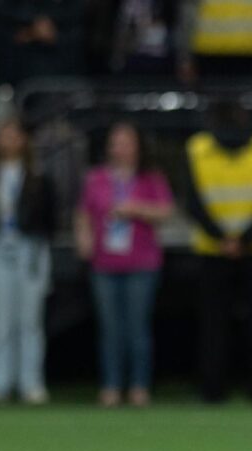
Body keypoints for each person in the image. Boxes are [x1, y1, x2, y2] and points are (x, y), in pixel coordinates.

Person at [184, 101, 252, 403]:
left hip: (214, 249)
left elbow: (191, 202)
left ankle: (212, 390)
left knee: (214, 324)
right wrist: (246, 239)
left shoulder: (197, 147)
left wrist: (223, 239)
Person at [74, 122, 174, 407]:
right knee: (110, 329)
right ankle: (111, 385)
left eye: (126, 142)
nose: (120, 148)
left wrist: (136, 209)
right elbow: (83, 212)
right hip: (105, 263)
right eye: (116, 142)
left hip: (142, 262)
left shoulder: (151, 177)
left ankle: (139, 385)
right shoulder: (96, 178)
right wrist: (84, 238)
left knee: (137, 327)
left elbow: (166, 211)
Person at [0, 119, 56, 405]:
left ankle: (31, 383)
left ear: (23, 140)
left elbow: (50, 218)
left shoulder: (38, 178)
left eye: (13, 134)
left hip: (29, 249)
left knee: (30, 320)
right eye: (2, 134)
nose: (8, 140)